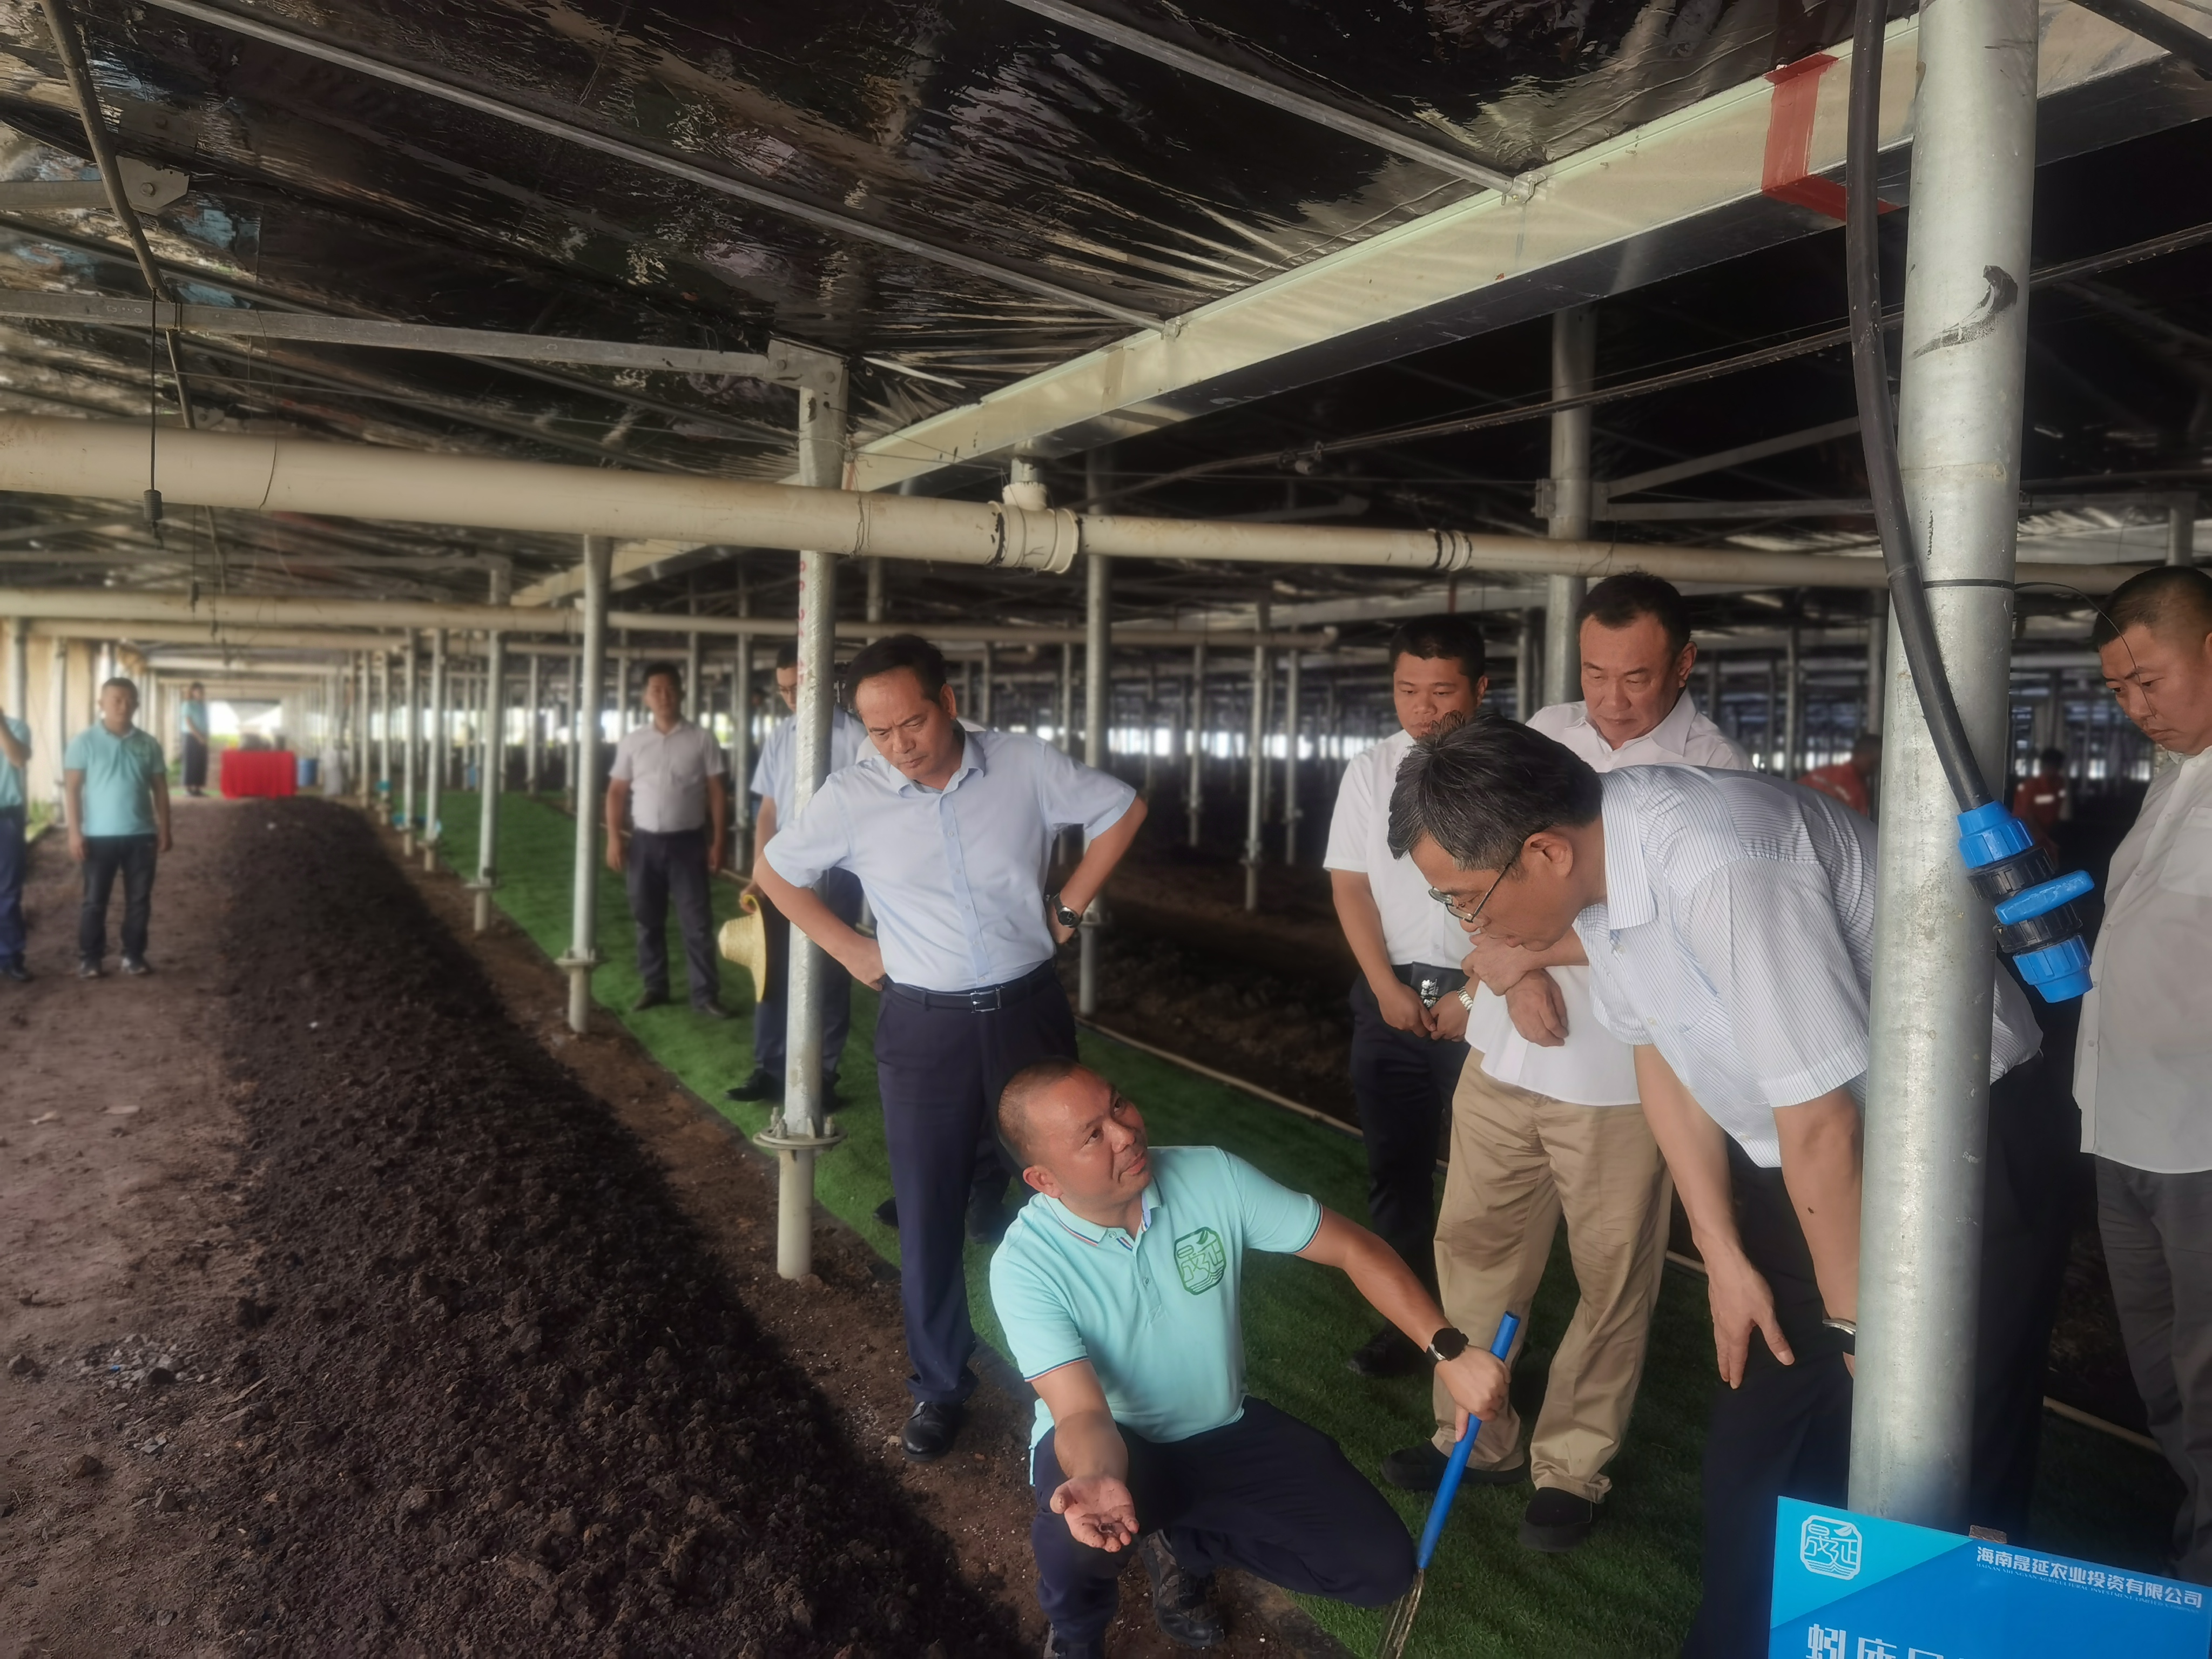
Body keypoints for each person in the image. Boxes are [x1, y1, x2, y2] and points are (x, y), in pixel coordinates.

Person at [1390, 717, 2073, 1658]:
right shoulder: (1598, 870)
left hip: (1955, 1144)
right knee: (1760, 1459)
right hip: (1809, 1166)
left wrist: (1858, 1331)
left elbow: (1823, 1117)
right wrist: (1720, 1252)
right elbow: (1658, 1052)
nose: (1471, 928)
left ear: (1543, 852)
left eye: (1467, 900)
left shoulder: (1722, 861)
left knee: (1942, 1456)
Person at [1382, 572, 1750, 1557]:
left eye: (1637, 677)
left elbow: (1681, 930)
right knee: (1473, 1245)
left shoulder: (1718, 772)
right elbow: (1467, 874)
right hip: (1505, 1062)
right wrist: (1506, 973)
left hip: (1627, 1082)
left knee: (1612, 1277)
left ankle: (1571, 1464)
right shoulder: (1543, 734)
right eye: (1595, 673)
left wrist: (1530, 956)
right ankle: (1475, 1432)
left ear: (1684, 665)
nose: (1612, 699)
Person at [756, 634, 1147, 1462]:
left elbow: (1122, 808)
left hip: (1026, 1011)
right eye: (880, 731)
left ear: (949, 702)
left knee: (1073, 1191)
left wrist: (1069, 906)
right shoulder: (851, 795)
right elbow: (779, 871)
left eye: (914, 721)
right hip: (923, 1027)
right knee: (927, 1207)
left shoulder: (1023, 765)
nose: (901, 744)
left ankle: (1096, 1379)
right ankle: (940, 1385)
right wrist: (852, 949)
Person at [989, 1058, 1509, 1659]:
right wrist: (1099, 1478)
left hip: (1223, 1428)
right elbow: (1082, 1413)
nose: (1126, 1133)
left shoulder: (1210, 1174)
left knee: (1380, 1570)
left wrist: (1447, 1350)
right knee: (1075, 1533)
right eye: (1092, 1135)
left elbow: (1353, 1248)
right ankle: (1076, 1639)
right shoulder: (1025, 1265)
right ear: (1044, 1180)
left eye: (1118, 1105)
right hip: (1119, 1443)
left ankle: (1188, 1542)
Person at [2079, 565, 2212, 1584]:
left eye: (2149, 681)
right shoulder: (2176, 780)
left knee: (2207, 1379)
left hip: (2201, 1141)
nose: (2135, 707)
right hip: (2125, 1126)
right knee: (2164, 1371)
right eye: (2119, 690)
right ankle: (2193, 1537)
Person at [1322, 614, 1487, 1380]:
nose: (1423, 708)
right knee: (1396, 1170)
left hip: (1487, 999)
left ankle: (1484, 1325)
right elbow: (1350, 885)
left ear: (1481, 689)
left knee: (1489, 1181)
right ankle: (1411, 1325)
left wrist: (1477, 994)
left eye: (1442, 692)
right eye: (1407, 690)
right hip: (1390, 998)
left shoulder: (1511, 767)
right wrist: (1384, 987)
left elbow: (1536, 891)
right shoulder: (1371, 769)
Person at [727, 639, 868, 1103]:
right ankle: (769, 1068)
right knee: (770, 966)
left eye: (798, 687)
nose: (790, 698)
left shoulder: (859, 738)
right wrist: (759, 870)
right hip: (781, 870)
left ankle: (821, 1075)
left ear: (825, 683)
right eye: (783, 689)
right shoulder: (781, 736)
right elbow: (768, 809)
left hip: (837, 872)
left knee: (831, 969)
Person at [604, 660, 729, 1017]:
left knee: (697, 922)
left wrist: (719, 841)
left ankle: (705, 994)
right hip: (644, 843)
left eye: (671, 689)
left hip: (688, 843)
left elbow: (717, 792)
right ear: (646, 697)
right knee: (647, 917)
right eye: (656, 690)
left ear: (682, 693)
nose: (664, 696)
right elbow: (616, 792)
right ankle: (655, 986)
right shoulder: (633, 742)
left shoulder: (702, 739)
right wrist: (615, 838)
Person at [65, 677, 173, 977]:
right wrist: (74, 832)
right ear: (101, 703)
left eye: (129, 700)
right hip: (98, 836)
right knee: (94, 901)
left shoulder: (148, 743)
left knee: (139, 900)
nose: (123, 706)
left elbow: (160, 789)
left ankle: (133, 956)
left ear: (137, 704)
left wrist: (165, 828)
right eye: (116, 700)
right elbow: (72, 789)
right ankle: (90, 959)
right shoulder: (83, 742)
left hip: (142, 834)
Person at [0, 691, 30, 982]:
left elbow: (19, 759)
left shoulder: (17, 727)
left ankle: (10, 958)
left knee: (8, 891)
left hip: (6, 816)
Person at [1799, 731, 1883, 819]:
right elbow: (1856, 825)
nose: (1875, 770)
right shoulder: (1858, 791)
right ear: (1861, 754)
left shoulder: (1820, 773)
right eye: (1873, 763)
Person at [2011, 745, 2068, 850]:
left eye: (2057, 767)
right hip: (2026, 835)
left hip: (2047, 833)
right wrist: (2046, 841)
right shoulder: (2029, 788)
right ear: (2043, 766)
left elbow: (2057, 809)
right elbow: (2028, 818)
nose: (2054, 771)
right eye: (2051, 767)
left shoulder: (2059, 784)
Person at [179, 682, 210, 798]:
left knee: (201, 762)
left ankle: (197, 788)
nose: (201, 693)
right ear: (193, 692)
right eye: (199, 691)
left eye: (202, 691)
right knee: (190, 761)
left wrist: (205, 736)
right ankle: (188, 789)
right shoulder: (188, 704)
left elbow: (206, 722)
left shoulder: (202, 706)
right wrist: (199, 737)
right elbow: (188, 722)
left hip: (203, 735)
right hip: (191, 736)